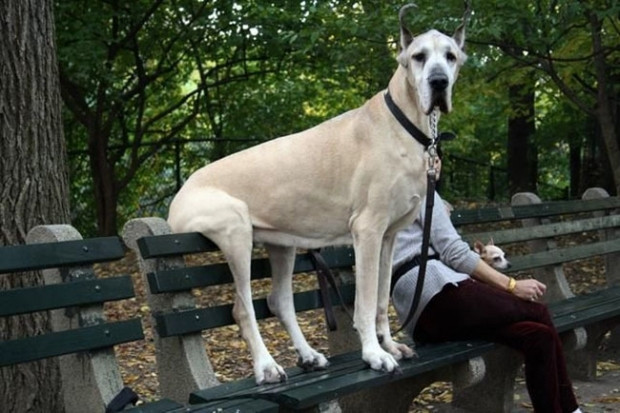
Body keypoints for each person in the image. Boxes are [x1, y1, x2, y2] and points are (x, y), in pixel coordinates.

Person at [391, 157, 582, 413]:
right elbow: (454, 252)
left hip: (424, 318)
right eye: (430, 152)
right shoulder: (417, 186)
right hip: (438, 294)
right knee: (538, 311)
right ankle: (571, 410)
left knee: (539, 336)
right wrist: (512, 285)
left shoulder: (384, 187)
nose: (436, 161)